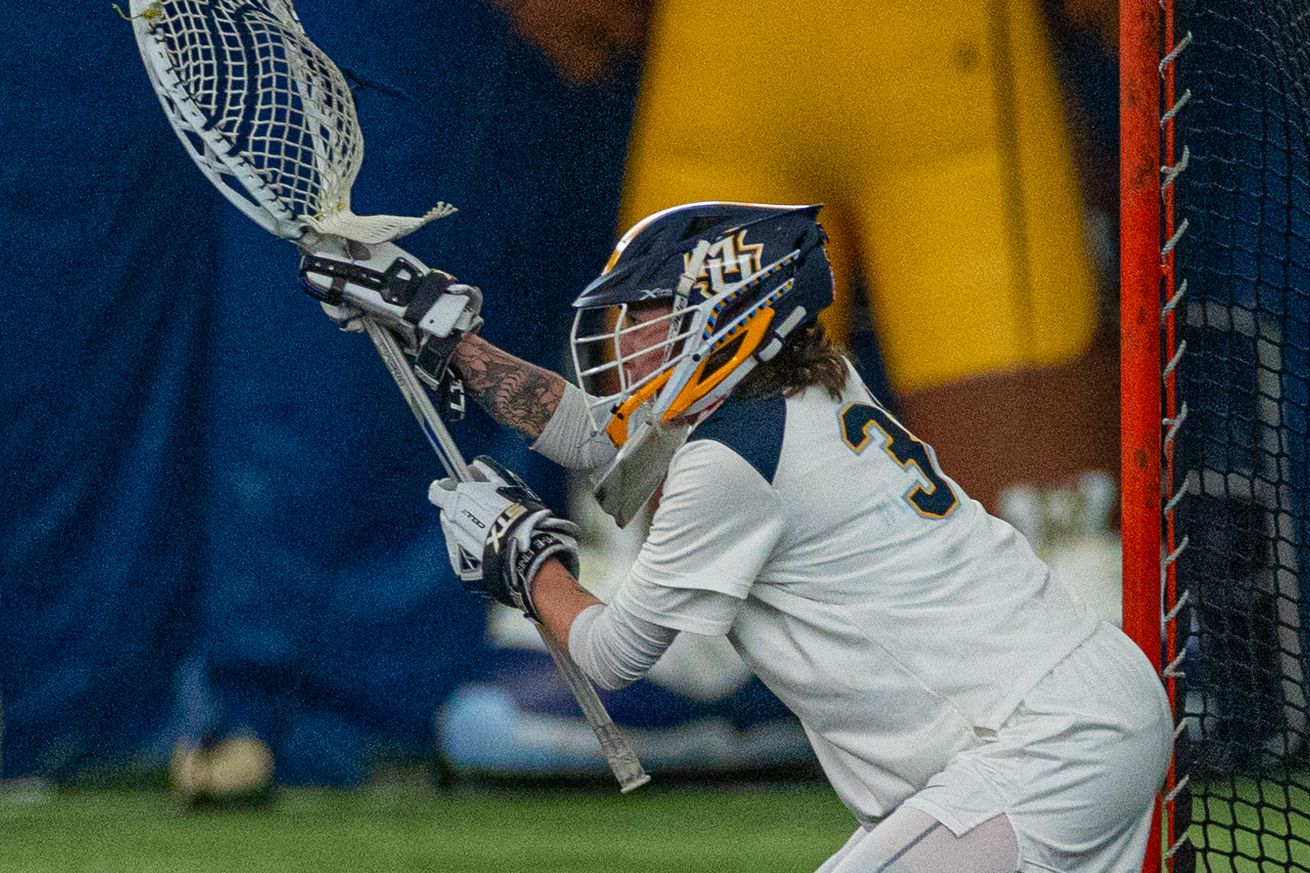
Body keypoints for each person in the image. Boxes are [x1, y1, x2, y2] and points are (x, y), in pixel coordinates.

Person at [332, 201, 1170, 871]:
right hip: (1082, 711)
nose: (621, 338)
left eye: (647, 312)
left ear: (725, 312)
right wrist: (451, 343)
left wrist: (529, 563)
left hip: (1042, 741)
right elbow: (599, 434)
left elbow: (618, 652)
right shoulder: (812, 384)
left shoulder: (733, 458)